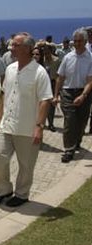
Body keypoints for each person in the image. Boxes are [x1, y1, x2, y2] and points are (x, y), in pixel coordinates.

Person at [0, 32, 53, 207]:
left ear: (27, 48)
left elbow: (45, 100)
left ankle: (22, 194)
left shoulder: (39, 73)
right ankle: (4, 190)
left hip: (27, 128)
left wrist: (39, 127)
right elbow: (4, 94)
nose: (11, 48)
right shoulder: (10, 68)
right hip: (6, 125)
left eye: (15, 45)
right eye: (12, 45)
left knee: (26, 166)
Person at [53, 28, 92, 163]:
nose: (76, 43)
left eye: (80, 41)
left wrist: (83, 95)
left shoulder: (90, 58)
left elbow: (90, 81)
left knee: (82, 121)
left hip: (84, 92)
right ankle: (69, 150)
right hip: (68, 92)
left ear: (85, 41)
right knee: (70, 121)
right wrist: (56, 95)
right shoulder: (68, 57)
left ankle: (77, 140)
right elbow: (60, 77)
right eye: (75, 41)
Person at [43, 43, 61, 132]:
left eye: (47, 53)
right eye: (44, 53)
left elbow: (58, 76)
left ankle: (51, 124)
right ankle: (42, 122)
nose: (46, 55)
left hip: (53, 82)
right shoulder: (42, 60)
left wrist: (57, 91)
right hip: (43, 83)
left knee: (51, 105)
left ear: (51, 52)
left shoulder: (57, 60)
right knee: (43, 103)